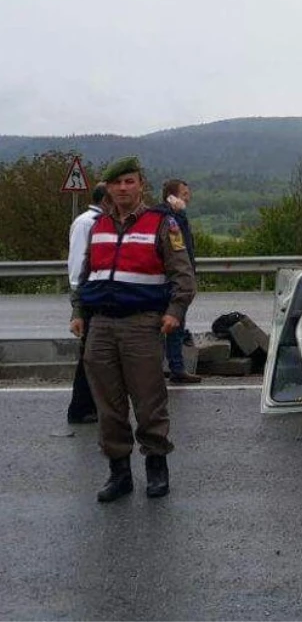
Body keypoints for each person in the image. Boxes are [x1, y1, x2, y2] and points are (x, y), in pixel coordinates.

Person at [69, 156, 196, 502]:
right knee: (107, 404)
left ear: (141, 185)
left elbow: (183, 275)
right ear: (108, 188)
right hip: (100, 324)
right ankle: (119, 472)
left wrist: (175, 311)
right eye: (116, 183)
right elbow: (85, 275)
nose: (123, 188)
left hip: (142, 323)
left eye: (129, 182)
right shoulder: (99, 226)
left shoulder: (162, 223)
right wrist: (78, 311)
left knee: (148, 400)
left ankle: (156, 466)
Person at [65, 183, 106, 424]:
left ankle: (92, 404)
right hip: (88, 294)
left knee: (97, 355)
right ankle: (80, 408)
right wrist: (77, 302)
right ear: (104, 200)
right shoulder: (86, 222)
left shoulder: (103, 221)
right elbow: (78, 262)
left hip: (98, 294)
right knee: (88, 355)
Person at [155, 179, 201, 384]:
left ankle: (175, 366)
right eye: (183, 194)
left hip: (176, 277)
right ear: (171, 196)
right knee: (172, 323)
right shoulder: (168, 218)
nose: (187, 197)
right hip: (168, 280)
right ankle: (174, 367)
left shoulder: (176, 216)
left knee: (176, 324)